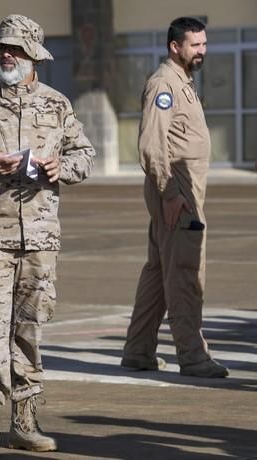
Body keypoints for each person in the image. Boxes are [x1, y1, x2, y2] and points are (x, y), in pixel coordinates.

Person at [0, 14, 95, 456]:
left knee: (29, 329)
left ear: (34, 58)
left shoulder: (57, 104)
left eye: (15, 50)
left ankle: (24, 424)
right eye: (1, 50)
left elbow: (84, 155)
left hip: (41, 236)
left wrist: (59, 168)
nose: (6, 56)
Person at [121, 17, 228, 378]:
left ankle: (138, 350)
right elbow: (152, 145)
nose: (202, 50)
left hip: (180, 194)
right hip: (177, 196)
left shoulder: (183, 82)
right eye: (195, 45)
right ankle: (193, 356)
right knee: (184, 272)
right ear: (174, 47)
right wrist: (169, 193)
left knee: (158, 271)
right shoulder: (164, 84)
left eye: (204, 43)